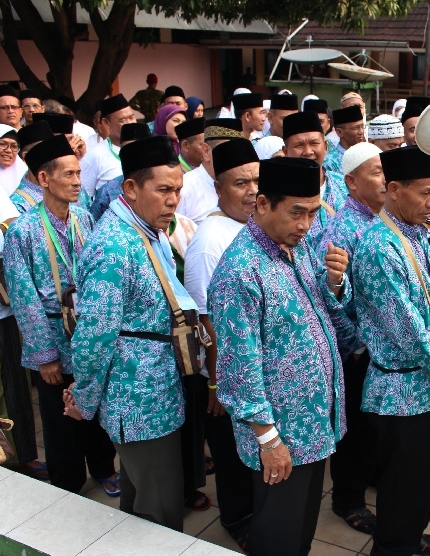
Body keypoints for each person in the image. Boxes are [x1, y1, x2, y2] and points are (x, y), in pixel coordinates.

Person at [208, 156, 350, 556]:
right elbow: (239, 367)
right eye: (296, 213)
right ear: (263, 203)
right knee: (277, 533)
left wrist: (335, 283)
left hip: (314, 420)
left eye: (312, 213)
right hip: (281, 431)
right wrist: (269, 439)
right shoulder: (240, 270)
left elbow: (318, 308)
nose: (305, 225)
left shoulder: (295, 246)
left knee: (301, 526)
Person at [65, 135, 193, 531]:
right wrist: (83, 398)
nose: (174, 200)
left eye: (178, 190)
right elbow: (93, 337)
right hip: (138, 399)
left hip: (155, 391)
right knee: (162, 507)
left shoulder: (145, 228)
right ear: (132, 188)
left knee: (143, 499)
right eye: (164, 190)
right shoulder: (114, 246)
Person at [352, 145, 430, 556]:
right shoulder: (381, 248)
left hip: (429, 390)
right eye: (425, 193)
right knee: (403, 494)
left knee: (427, 485)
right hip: (401, 398)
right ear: (394, 189)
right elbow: (414, 338)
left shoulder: (411, 233)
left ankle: (409, 540)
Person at [3, 135, 119, 495]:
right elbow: (24, 299)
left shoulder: (84, 218)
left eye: (78, 173)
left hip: (87, 330)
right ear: (43, 178)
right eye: (67, 174)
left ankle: (103, 467)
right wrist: (45, 357)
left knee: (94, 403)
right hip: (53, 333)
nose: (75, 182)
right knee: (58, 414)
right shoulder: (22, 230)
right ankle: (68, 481)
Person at [183, 138, 259, 546]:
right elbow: (204, 320)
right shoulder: (210, 238)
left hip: (249, 367)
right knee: (230, 455)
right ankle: (237, 520)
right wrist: (215, 381)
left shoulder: (253, 228)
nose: (251, 191)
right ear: (218, 188)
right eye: (239, 183)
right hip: (221, 373)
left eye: (256, 181)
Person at [318, 143, 385, 535]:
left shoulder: (380, 218)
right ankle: (347, 500)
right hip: (356, 352)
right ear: (352, 182)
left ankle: (365, 480)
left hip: (375, 348)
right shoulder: (343, 228)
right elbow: (332, 298)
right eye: (375, 172)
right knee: (355, 431)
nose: (384, 178)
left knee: (371, 430)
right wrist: (358, 346)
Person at [0, 137, 45, 482]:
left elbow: (15, 228)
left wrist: (0, 231)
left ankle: (19, 458)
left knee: (13, 383)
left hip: (0, 299)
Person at [281, 111, 349, 250]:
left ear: (325, 146)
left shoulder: (344, 185)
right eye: (299, 145)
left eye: (314, 143)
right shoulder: (277, 194)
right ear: (285, 151)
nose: (308, 151)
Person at [178, 118, 244, 224]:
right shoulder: (185, 189)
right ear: (206, 151)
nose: (235, 157)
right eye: (228, 151)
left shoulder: (247, 186)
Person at [80, 94, 136, 199]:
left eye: (131, 117)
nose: (130, 123)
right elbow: (84, 197)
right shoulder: (95, 155)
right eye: (122, 120)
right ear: (106, 123)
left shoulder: (147, 148)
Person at [10, 121, 54, 213]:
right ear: (27, 156)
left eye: (53, 149)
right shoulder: (17, 202)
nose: (52, 156)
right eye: (44, 150)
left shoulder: (68, 183)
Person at [325, 105, 365, 175]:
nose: (361, 132)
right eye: (356, 128)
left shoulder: (367, 154)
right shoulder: (330, 162)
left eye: (362, 126)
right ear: (339, 132)